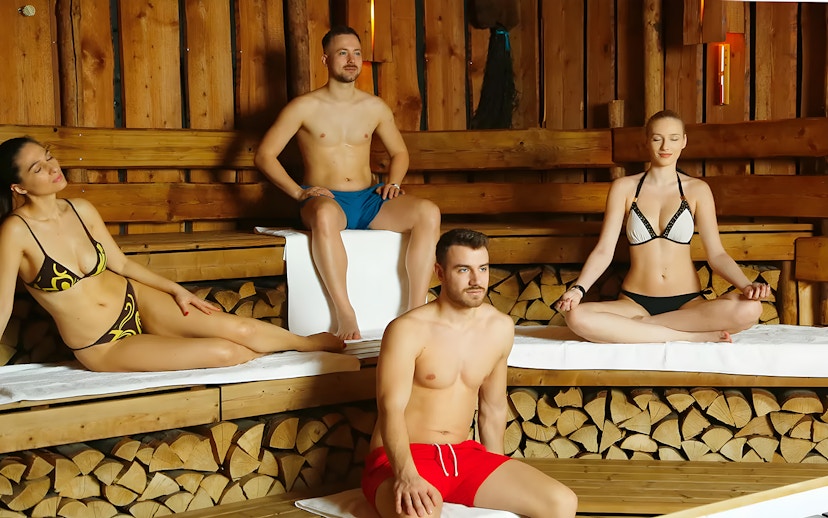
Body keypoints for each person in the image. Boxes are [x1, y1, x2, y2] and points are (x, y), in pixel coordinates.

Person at [0, 137, 344, 372]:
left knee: (240, 328)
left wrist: (176, 290)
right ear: (18, 187)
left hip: (135, 298)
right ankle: (278, 357)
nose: (52, 168)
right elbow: (3, 306)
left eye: (49, 156)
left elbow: (120, 263)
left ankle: (305, 344)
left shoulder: (80, 209)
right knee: (226, 351)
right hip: (103, 344)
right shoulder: (15, 231)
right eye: (37, 168)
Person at [362, 228, 578, 518]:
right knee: (420, 514)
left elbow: (493, 407)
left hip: (463, 456)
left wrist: (495, 468)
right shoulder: (408, 330)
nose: (477, 280)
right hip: (403, 458)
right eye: (463, 269)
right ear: (440, 272)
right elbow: (391, 409)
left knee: (562, 503)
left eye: (483, 268)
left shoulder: (499, 328)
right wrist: (406, 475)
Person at [254, 25, 441, 341]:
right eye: (342, 53)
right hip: (327, 200)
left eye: (356, 53)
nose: (351, 60)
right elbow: (264, 156)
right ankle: (345, 312)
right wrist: (299, 193)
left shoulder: (374, 107)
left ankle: (415, 311)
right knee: (324, 215)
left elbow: (399, 153)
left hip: (368, 199)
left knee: (428, 212)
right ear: (325, 59)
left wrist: (394, 183)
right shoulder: (304, 107)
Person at [554, 110, 768, 343]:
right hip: (634, 302)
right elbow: (604, 250)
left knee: (751, 309)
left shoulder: (697, 190)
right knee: (576, 316)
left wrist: (746, 286)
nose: (666, 146)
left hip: (687, 303)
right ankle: (690, 338)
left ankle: (641, 327)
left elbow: (716, 254)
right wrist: (578, 289)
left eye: (674, 138)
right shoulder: (624, 188)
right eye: (657, 138)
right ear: (647, 141)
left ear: (684, 141)